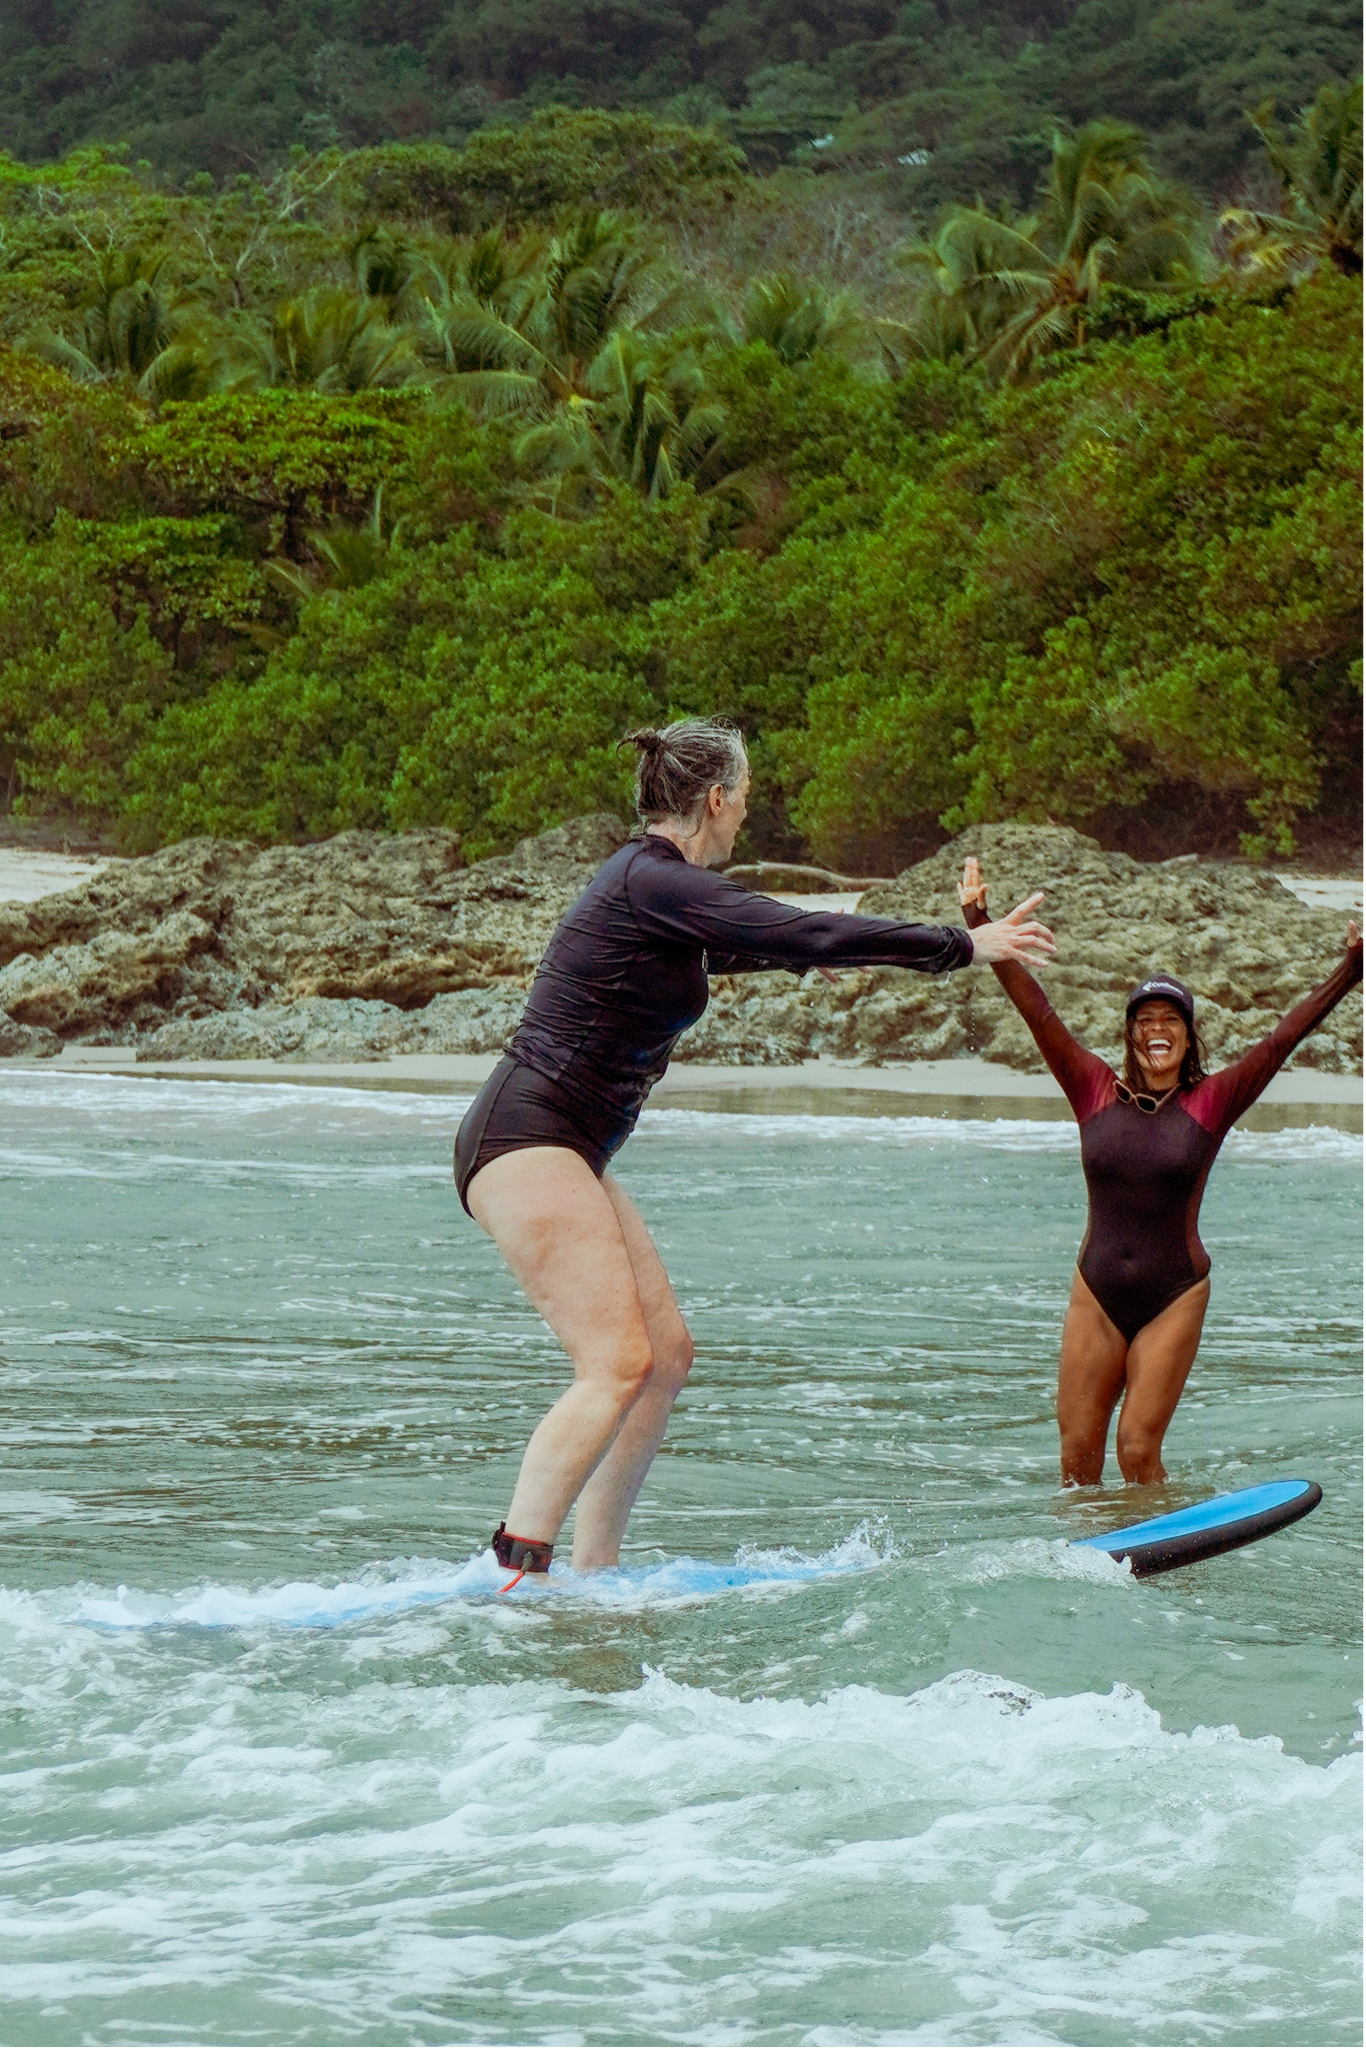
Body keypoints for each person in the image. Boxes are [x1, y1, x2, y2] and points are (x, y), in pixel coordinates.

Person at [455, 720, 1057, 1584]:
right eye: (745, 798)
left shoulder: (662, 893)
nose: (746, 815)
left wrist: (809, 956)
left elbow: (754, 943)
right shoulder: (650, 878)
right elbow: (794, 929)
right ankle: (516, 1575)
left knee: (663, 1359)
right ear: (716, 799)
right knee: (616, 1361)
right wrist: (962, 945)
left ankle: (594, 1574)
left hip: (562, 1142)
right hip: (527, 1135)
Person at [959, 854, 1363, 1488]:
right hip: (1096, 1292)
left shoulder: (1212, 1102)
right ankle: (1083, 1569)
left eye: (1169, 1020)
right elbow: (1040, 1014)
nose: (1156, 1030)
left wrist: (1353, 968)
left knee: (1137, 1451)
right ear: (1130, 1035)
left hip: (1174, 1293)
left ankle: (1162, 1560)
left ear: (1187, 1034)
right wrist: (980, 924)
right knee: (1076, 1460)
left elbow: (1281, 1039)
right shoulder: (1091, 1087)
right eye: (1144, 1021)